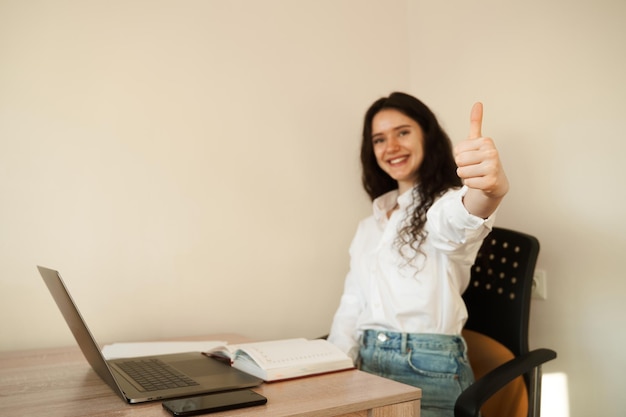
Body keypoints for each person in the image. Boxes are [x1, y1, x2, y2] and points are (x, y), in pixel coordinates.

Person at [327, 92, 509, 417]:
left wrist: (485, 190)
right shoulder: (369, 225)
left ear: (427, 135)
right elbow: (352, 303)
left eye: (403, 132)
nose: (391, 146)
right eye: (379, 139)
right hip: (364, 366)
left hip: (427, 368)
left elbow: (459, 221)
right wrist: (333, 366)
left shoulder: (444, 204)